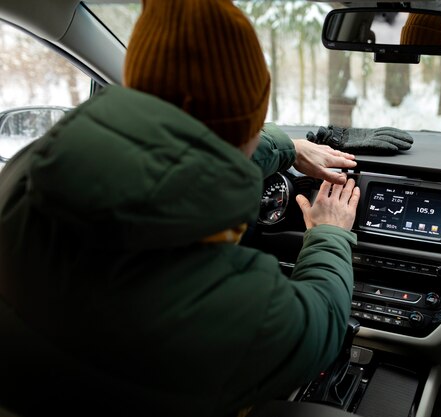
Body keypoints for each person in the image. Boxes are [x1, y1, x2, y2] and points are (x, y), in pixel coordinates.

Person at [0, 1, 360, 416]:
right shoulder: (226, 304)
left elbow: (192, 142)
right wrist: (329, 235)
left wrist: (286, 147)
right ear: (246, 127)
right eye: (254, 126)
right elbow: (323, 326)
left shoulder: (27, 171)